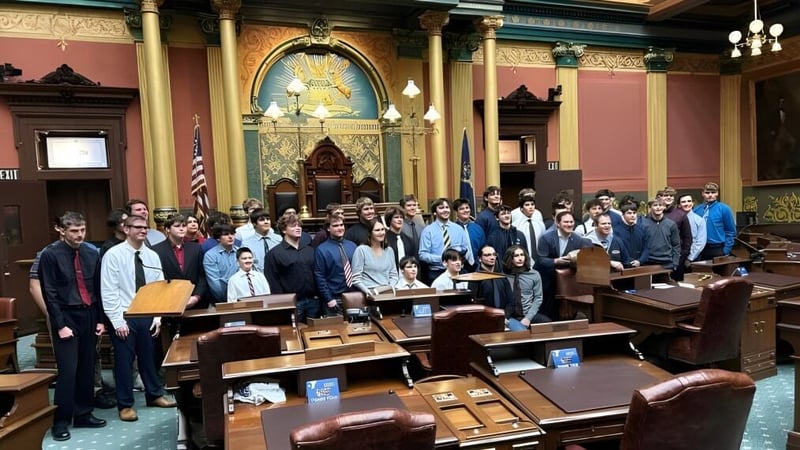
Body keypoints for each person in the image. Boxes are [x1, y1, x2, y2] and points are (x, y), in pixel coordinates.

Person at [38, 212, 107, 441]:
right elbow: (49, 292)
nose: (79, 235)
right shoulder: (49, 255)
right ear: (62, 230)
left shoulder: (91, 252)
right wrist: (59, 325)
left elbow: (97, 289)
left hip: (88, 314)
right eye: (74, 231)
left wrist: (100, 319)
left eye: (82, 230)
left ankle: (83, 413)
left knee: (87, 367)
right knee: (68, 371)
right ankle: (61, 420)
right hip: (66, 316)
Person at [101, 214, 176, 423]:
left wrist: (158, 317)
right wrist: (117, 321)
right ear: (126, 229)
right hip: (124, 314)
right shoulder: (114, 255)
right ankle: (125, 405)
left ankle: (154, 394)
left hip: (147, 313)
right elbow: (108, 291)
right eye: (138, 227)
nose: (143, 230)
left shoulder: (151, 255)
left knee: (149, 357)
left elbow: (160, 288)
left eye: (145, 227)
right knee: (124, 362)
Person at [265, 213, 319, 322]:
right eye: (293, 226)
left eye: (299, 226)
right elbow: (273, 282)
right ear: (284, 230)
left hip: (313, 301)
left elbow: (317, 274)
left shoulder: (309, 250)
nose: (298, 228)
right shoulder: (274, 254)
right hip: (292, 303)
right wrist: (283, 303)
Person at [152, 214, 207, 310]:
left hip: (194, 302)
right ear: (167, 229)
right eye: (177, 226)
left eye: (184, 226)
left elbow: (202, 276)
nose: (182, 229)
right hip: (168, 303)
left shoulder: (196, 248)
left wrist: (196, 297)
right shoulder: (156, 250)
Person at [418, 198, 471, 283]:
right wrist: (443, 259)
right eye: (441, 208)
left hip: (457, 272)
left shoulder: (458, 229)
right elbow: (422, 254)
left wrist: (459, 251)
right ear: (435, 212)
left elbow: (465, 248)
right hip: (436, 272)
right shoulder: (428, 231)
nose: (445, 210)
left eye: (447, 207)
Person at [314, 214, 356, 315]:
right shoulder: (321, 250)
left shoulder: (353, 246)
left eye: (341, 225)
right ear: (328, 228)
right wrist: (329, 299)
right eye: (336, 225)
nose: (340, 228)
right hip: (334, 299)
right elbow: (319, 276)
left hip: (353, 296)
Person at [503, 245, 550, 330]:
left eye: (522, 255)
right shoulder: (504, 276)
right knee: (520, 332)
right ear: (510, 258)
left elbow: (538, 298)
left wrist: (528, 318)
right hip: (510, 315)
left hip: (528, 313)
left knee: (548, 325)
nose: (520, 258)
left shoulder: (534, 274)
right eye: (516, 256)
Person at [351, 218, 398, 296]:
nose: (381, 232)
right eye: (377, 230)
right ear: (370, 233)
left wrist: (391, 287)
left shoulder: (389, 250)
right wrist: (367, 292)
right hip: (369, 293)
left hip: (387, 293)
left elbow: (394, 275)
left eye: (382, 229)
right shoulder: (361, 250)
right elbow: (356, 279)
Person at [693, 182, 736, 260]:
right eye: (707, 192)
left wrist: (726, 250)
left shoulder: (724, 209)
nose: (710, 195)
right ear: (702, 194)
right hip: (699, 249)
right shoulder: (696, 209)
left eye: (713, 192)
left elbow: (731, 231)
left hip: (717, 248)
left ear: (717, 193)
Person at [659, 186, 692, 280]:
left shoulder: (681, 214)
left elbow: (687, 236)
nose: (669, 197)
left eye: (671, 195)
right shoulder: (656, 212)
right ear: (661, 197)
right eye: (666, 195)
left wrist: (683, 254)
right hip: (659, 256)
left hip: (677, 255)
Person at [469, 244, 512, 314]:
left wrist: (505, 316)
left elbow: (511, 302)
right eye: (487, 255)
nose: (492, 257)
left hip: (504, 317)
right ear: (479, 258)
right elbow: (473, 304)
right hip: (484, 319)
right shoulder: (475, 279)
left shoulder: (501, 277)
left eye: (494, 254)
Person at [202, 223, 239, 302]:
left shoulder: (240, 252)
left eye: (232, 234)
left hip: (241, 296)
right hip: (221, 299)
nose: (230, 237)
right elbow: (214, 282)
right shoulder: (210, 255)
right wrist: (228, 297)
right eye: (226, 234)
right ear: (218, 238)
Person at [641, 197, 680, 270]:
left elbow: (676, 245)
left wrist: (675, 263)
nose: (658, 208)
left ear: (664, 207)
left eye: (660, 205)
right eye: (655, 205)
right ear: (650, 207)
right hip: (647, 263)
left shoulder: (671, 224)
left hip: (667, 263)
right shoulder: (643, 223)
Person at [241, 208, 281, 273]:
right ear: (254, 224)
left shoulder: (279, 240)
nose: (266, 222)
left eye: (268, 219)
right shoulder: (247, 244)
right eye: (262, 220)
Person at [511, 192, 545, 265]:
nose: (530, 207)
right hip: (524, 260)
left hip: (540, 260)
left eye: (532, 204)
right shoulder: (516, 225)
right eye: (527, 205)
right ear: (521, 209)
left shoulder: (540, 224)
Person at [613, 202, 648, 267]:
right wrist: (630, 262)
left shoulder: (641, 229)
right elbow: (617, 250)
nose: (632, 215)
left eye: (634, 213)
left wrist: (640, 261)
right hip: (623, 266)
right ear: (623, 215)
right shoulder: (616, 230)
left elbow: (646, 248)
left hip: (640, 265)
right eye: (629, 213)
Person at [452, 198, 483, 271]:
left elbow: (483, 247)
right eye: (461, 209)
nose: (465, 210)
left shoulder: (478, 228)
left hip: (477, 266)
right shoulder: (452, 229)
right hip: (459, 266)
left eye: (467, 208)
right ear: (456, 211)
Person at [678, 193, 707, 265]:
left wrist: (690, 258)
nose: (687, 204)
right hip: (676, 256)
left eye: (689, 201)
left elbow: (700, 242)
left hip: (693, 257)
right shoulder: (675, 219)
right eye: (683, 202)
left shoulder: (699, 220)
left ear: (693, 203)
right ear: (679, 205)